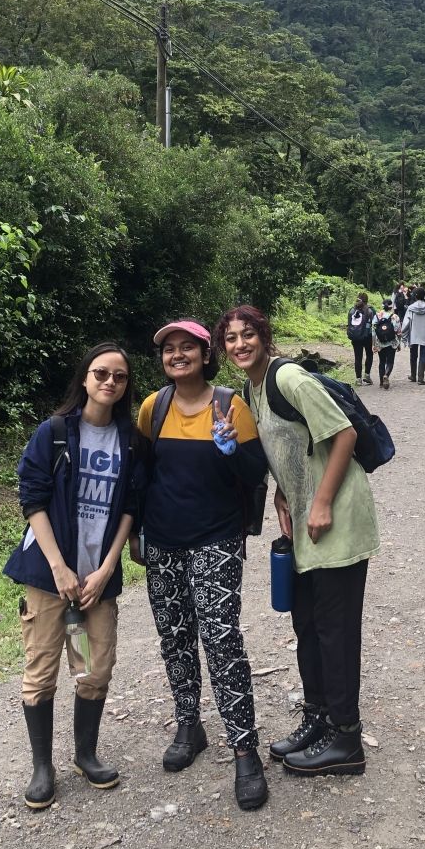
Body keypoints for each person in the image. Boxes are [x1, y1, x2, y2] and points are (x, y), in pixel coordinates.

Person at [216, 304, 379, 779]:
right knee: (307, 625)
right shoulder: (252, 389)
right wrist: (284, 498)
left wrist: (322, 501)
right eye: (231, 338)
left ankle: (346, 738)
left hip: (338, 519)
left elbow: (344, 435)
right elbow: (284, 450)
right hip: (304, 522)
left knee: (336, 628)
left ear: (265, 337)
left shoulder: (290, 379)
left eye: (248, 334)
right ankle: (319, 720)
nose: (240, 344)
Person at [5, 342, 144, 811]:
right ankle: (42, 766)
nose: (109, 382)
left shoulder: (130, 439)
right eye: (101, 373)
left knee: (95, 669)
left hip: (96, 580)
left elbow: (131, 506)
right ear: (85, 379)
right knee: (40, 672)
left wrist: (106, 567)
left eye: (119, 377)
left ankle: (86, 754)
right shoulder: (56, 433)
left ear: (126, 387)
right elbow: (32, 499)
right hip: (49, 577)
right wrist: (59, 568)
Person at [137, 319, 269, 811]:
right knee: (174, 635)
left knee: (221, 640)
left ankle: (244, 749)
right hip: (164, 541)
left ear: (205, 353)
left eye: (186, 347)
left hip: (215, 539)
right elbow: (143, 476)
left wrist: (231, 448)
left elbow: (258, 474)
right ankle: (189, 724)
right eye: (169, 349)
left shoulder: (230, 405)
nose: (177, 355)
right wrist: (137, 534)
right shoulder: (154, 408)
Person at [400, 285, 425, 385]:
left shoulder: (410, 308)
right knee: (423, 355)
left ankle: (413, 376)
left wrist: (403, 336)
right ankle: (421, 378)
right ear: (424, 296)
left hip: (414, 335)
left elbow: (406, 324)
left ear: (415, 296)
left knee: (413, 355)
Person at [346, 291, 376, 385]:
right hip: (367, 337)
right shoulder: (370, 310)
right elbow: (374, 324)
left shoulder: (352, 310)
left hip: (355, 337)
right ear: (366, 300)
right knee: (369, 355)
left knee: (358, 357)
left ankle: (358, 379)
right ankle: (367, 375)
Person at [371, 298, 401, 390]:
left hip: (380, 342)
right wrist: (398, 343)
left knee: (382, 361)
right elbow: (398, 332)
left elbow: (373, 331)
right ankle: (386, 375)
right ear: (391, 307)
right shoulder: (395, 317)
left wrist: (374, 344)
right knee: (390, 361)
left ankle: (381, 382)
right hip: (392, 342)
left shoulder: (377, 316)